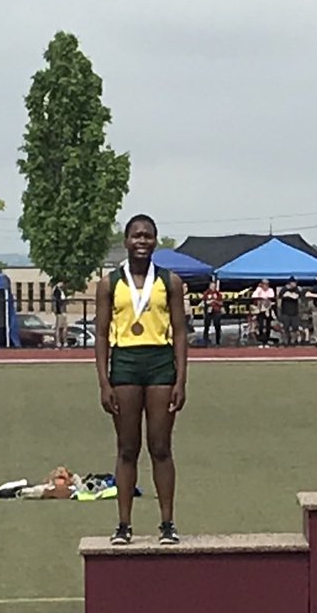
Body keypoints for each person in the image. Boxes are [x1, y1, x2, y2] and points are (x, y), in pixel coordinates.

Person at [94, 214, 188, 546]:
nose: (142, 241)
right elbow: (102, 335)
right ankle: (123, 525)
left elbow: (179, 331)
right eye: (136, 236)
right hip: (126, 364)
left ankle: (167, 523)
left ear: (156, 241)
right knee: (127, 448)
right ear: (126, 241)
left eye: (148, 236)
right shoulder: (110, 283)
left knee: (161, 447)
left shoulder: (170, 281)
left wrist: (181, 379)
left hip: (160, 363)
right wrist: (104, 382)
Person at [276, 277, 302, 345]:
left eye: (295, 283)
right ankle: (286, 341)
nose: (294, 284)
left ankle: (293, 341)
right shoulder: (284, 289)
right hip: (285, 312)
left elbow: (296, 296)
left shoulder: (297, 289)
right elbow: (281, 295)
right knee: (286, 327)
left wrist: (288, 295)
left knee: (295, 327)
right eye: (293, 283)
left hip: (294, 312)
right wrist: (288, 293)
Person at [251, 279, 274, 347]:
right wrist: (259, 290)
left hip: (268, 309)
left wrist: (264, 299)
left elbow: (271, 297)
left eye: (267, 284)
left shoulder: (270, 290)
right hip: (260, 310)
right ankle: (261, 341)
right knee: (260, 326)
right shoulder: (259, 290)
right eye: (264, 284)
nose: (265, 286)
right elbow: (254, 296)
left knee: (268, 326)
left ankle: (266, 341)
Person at [201, 278, 224, 346]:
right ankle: (205, 341)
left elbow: (221, 303)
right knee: (206, 326)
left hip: (216, 312)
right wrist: (207, 303)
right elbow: (203, 302)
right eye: (212, 286)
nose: (213, 287)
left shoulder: (218, 294)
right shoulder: (206, 293)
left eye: (214, 286)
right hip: (208, 311)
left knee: (217, 326)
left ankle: (217, 342)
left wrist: (215, 301)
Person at [52, 281, 69, 348]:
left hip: (63, 311)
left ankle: (64, 341)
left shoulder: (61, 291)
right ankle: (58, 342)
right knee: (59, 327)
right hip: (60, 312)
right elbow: (57, 301)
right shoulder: (57, 291)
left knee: (64, 328)